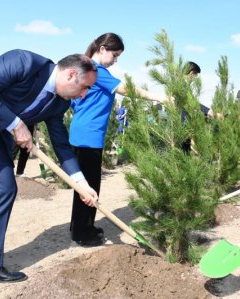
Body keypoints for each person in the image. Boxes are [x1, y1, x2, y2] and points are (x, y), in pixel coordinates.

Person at [0, 50, 99, 284]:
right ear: (71, 75)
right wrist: (16, 125)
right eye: (84, 87)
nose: (84, 95)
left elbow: (62, 146)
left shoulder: (58, 104)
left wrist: (82, 184)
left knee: (4, 189)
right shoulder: (23, 62)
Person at [69, 33, 169, 247]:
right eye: (115, 55)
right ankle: (82, 233)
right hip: (89, 136)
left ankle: (81, 227)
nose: (116, 60)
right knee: (89, 187)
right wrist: (159, 97)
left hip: (83, 133)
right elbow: (126, 89)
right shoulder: (96, 70)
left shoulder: (87, 70)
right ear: (102, 49)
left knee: (85, 185)